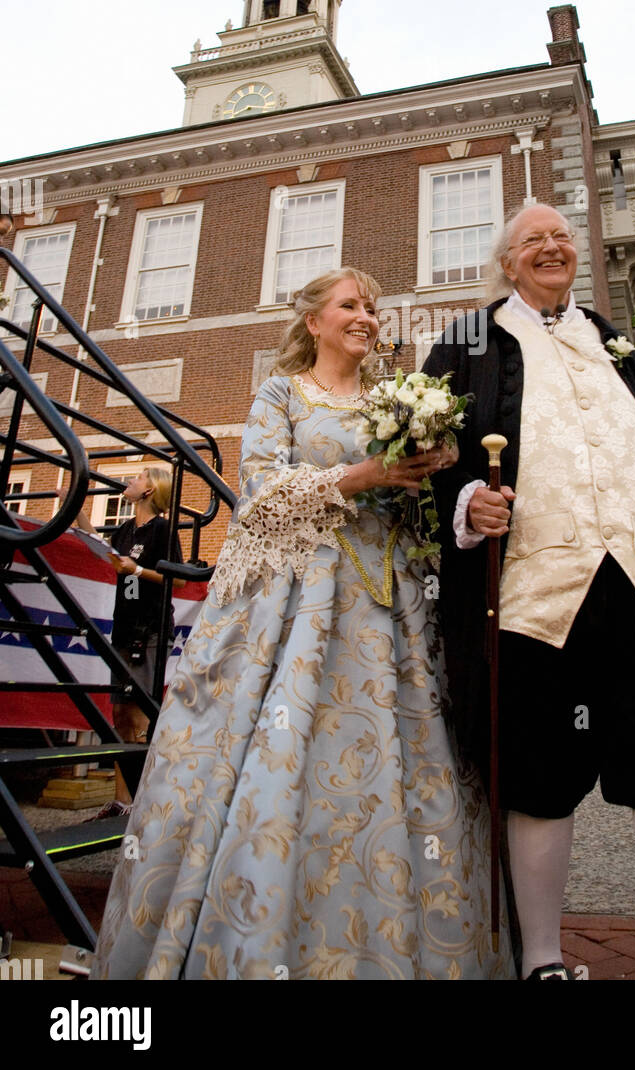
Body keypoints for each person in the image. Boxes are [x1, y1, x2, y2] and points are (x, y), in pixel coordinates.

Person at [92, 267, 510, 980]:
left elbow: (422, 506)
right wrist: (360, 477)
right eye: (350, 305)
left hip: (392, 601)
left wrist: (431, 464)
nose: (367, 317)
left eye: (373, 309)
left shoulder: (396, 399)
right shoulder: (281, 391)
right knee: (284, 760)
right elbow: (257, 493)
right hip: (301, 604)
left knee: (401, 763)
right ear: (314, 321)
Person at [423, 204, 635, 982]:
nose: (553, 247)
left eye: (561, 237)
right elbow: (430, 454)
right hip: (534, 591)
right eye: (534, 240)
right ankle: (544, 960)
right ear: (507, 262)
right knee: (538, 776)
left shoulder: (615, 342)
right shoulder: (468, 338)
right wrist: (466, 503)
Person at [76, 467, 181, 817]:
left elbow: (176, 581)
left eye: (136, 478)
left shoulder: (162, 529)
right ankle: (123, 802)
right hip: (122, 628)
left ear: (150, 491)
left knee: (137, 718)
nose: (129, 482)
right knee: (120, 715)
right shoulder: (125, 529)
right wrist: (76, 506)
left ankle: (142, 805)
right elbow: (107, 555)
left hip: (148, 631)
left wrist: (135, 571)